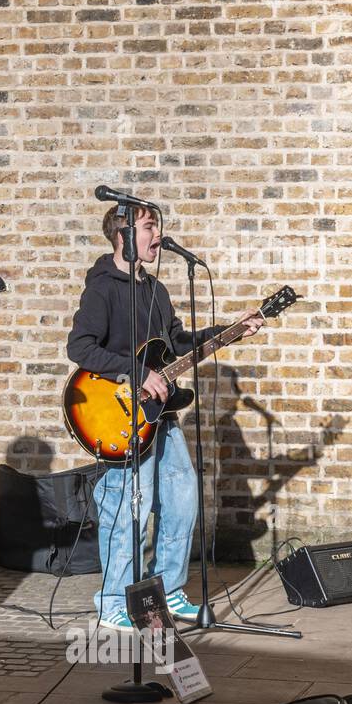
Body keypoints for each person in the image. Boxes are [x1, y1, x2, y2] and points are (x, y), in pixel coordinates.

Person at [65, 206, 263, 630]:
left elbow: (176, 343)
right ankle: (113, 600)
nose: (159, 235)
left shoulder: (156, 290)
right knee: (126, 508)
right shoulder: (101, 290)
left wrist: (229, 330)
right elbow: (80, 347)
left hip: (160, 416)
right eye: (151, 227)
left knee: (182, 500)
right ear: (123, 234)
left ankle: (167, 591)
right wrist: (137, 372)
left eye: (158, 226)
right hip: (117, 415)